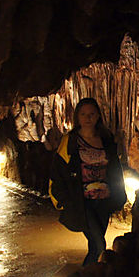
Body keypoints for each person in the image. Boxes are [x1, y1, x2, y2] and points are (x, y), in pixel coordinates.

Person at [49, 98, 127, 266]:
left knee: (94, 245)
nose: (87, 118)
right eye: (83, 114)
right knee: (99, 245)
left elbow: (115, 169)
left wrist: (119, 194)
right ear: (77, 117)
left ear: (98, 116)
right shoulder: (69, 141)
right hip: (83, 202)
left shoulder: (106, 139)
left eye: (91, 114)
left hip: (104, 200)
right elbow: (58, 171)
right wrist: (63, 200)